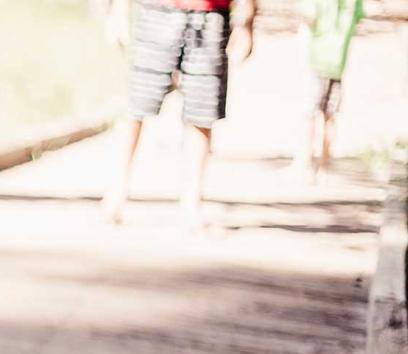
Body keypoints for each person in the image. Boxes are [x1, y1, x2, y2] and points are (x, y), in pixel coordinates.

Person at [101, 0, 257, 226]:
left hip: (211, 14)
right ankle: (115, 192)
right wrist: (118, 10)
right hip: (155, 11)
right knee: (137, 105)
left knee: (202, 112)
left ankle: (192, 203)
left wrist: (247, 21)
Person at [293, 0, 365, 181]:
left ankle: (305, 163)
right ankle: (324, 165)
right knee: (330, 115)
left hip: (316, 58)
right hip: (338, 61)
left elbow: (309, 15)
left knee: (309, 113)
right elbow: (358, 17)